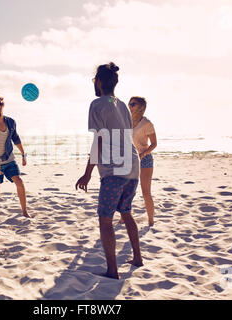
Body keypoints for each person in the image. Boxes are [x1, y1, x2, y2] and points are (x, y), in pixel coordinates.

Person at [75, 62, 143, 279]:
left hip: (114, 170)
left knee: (105, 220)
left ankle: (112, 271)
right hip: (132, 166)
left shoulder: (97, 104)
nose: (94, 83)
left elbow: (100, 139)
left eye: (95, 80)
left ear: (100, 82)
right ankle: (138, 258)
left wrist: (88, 172)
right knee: (126, 212)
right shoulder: (122, 105)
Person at [124, 97, 157, 226]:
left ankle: (150, 220)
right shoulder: (126, 121)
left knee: (146, 192)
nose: (129, 106)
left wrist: (143, 153)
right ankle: (124, 217)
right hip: (129, 159)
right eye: (129, 103)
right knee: (126, 191)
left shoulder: (147, 123)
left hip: (144, 159)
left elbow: (154, 144)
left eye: (133, 104)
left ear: (141, 107)